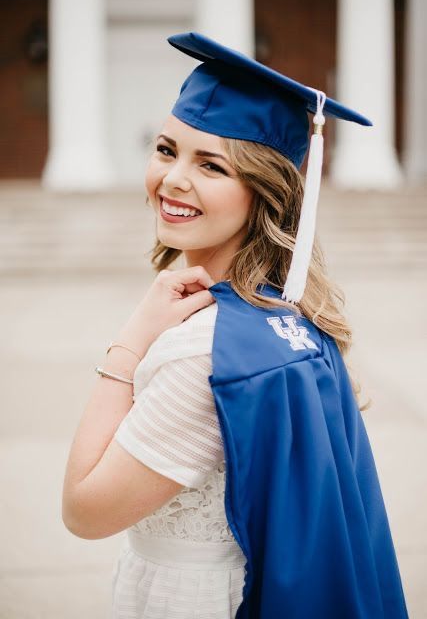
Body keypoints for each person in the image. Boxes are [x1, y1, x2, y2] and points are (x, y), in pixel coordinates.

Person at [62, 32, 409, 618]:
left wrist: (129, 345)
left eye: (212, 165)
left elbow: (84, 511)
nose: (172, 179)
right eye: (167, 149)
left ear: (264, 194)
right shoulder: (286, 317)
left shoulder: (209, 357)